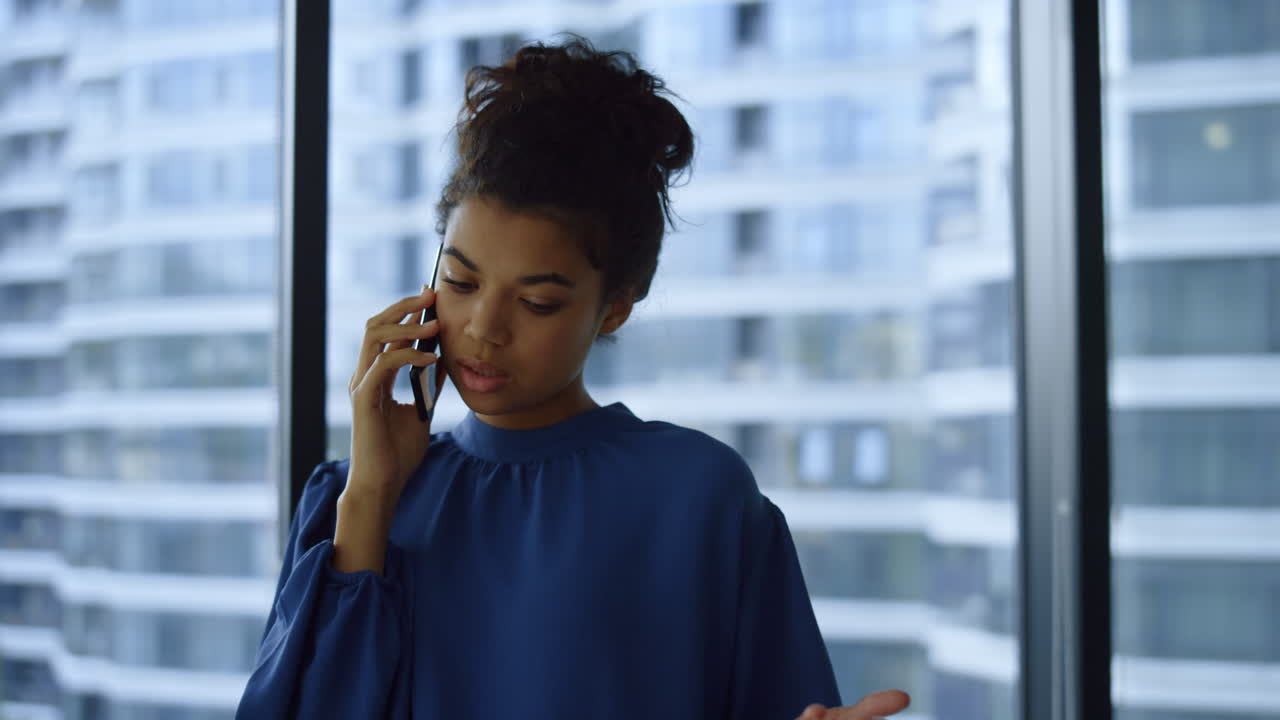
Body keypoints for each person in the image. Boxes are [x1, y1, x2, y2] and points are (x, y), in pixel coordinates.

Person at [235, 34, 910, 720]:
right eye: (460, 281)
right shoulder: (352, 499)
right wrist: (373, 493)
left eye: (538, 302)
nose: (483, 327)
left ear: (613, 307)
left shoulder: (697, 496)